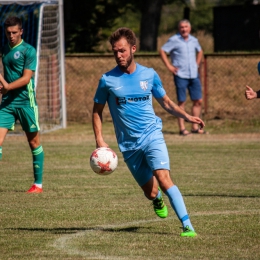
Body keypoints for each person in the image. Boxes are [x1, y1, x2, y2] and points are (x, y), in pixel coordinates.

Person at [92, 27, 205, 237]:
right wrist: (99, 138)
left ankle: (187, 225)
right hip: (129, 146)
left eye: (123, 50)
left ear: (133, 49)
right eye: (115, 51)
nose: (119, 55)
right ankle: (157, 199)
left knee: (164, 178)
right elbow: (97, 111)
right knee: (151, 191)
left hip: (152, 135)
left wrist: (187, 117)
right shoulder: (107, 80)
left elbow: (167, 103)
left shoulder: (149, 74)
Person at [0, 16, 44, 193]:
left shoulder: (29, 51)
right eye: (8, 33)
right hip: (8, 103)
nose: (11, 36)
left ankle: (38, 184)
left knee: (33, 142)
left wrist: (8, 87)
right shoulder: (4, 50)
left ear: (21, 32)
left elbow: (26, 78)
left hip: (26, 102)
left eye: (14, 32)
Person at [160, 19, 206, 136]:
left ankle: (195, 127)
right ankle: (182, 129)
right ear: (179, 28)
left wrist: (197, 63)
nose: (184, 29)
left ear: (190, 28)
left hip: (194, 74)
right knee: (182, 102)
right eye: (181, 27)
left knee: (198, 101)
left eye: (186, 27)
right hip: (181, 75)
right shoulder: (174, 40)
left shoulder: (194, 40)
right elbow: (162, 50)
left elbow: (200, 51)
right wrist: (170, 67)